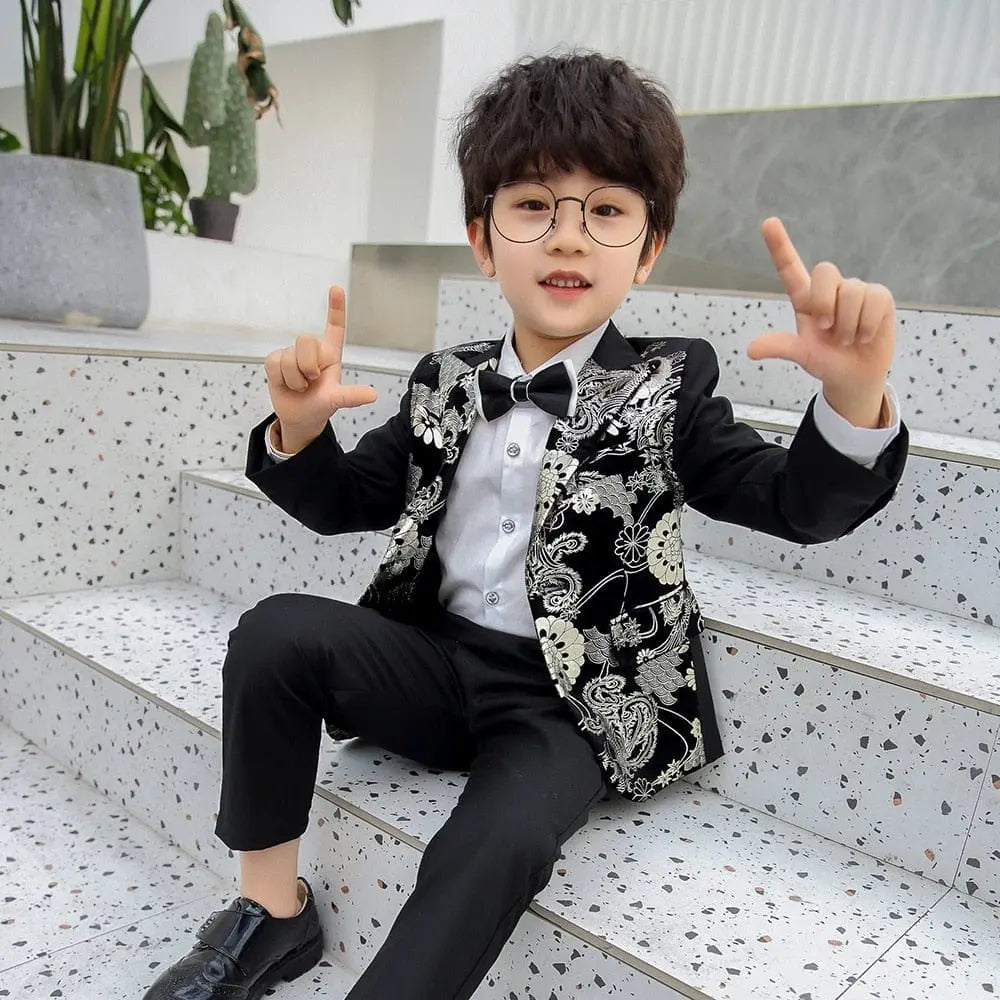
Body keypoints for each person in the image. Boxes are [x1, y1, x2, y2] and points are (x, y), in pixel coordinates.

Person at [143, 51, 908, 1000]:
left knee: (497, 837)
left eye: (607, 211)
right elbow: (343, 502)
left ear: (650, 245)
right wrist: (299, 432)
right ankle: (273, 913)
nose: (569, 240)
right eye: (535, 206)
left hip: (569, 703)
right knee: (272, 634)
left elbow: (792, 502)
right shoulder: (444, 380)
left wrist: (853, 397)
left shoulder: (672, 384)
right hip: (432, 662)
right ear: (481, 236)